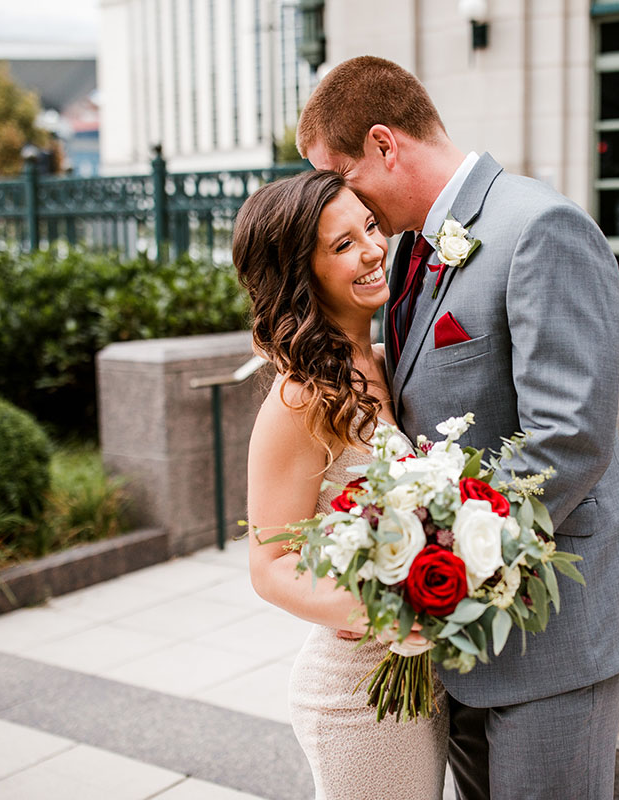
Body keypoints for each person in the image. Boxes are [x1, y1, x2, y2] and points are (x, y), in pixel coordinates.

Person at [296, 56, 619, 800]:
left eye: (341, 173)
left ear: (384, 144)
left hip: (553, 625)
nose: (341, 197)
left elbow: (569, 436)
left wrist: (431, 562)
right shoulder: (409, 249)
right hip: (460, 633)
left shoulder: (537, 226)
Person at [233, 169, 449, 800]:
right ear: (303, 273)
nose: (374, 249)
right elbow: (269, 564)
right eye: (342, 245)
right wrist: (385, 610)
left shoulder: (383, 361)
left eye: (371, 227)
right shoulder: (299, 399)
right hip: (356, 698)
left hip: (420, 680)